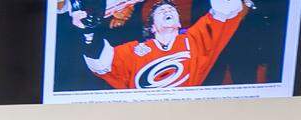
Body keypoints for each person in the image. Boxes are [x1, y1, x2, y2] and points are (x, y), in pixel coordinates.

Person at [74, 0, 247, 90]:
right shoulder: (134, 51)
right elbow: (101, 63)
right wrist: (88, 32)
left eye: (171, 10)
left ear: (180, 24)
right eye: (161, 11)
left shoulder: (193, 42)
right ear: (151, 27)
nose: (168, 10)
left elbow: (225, 11)